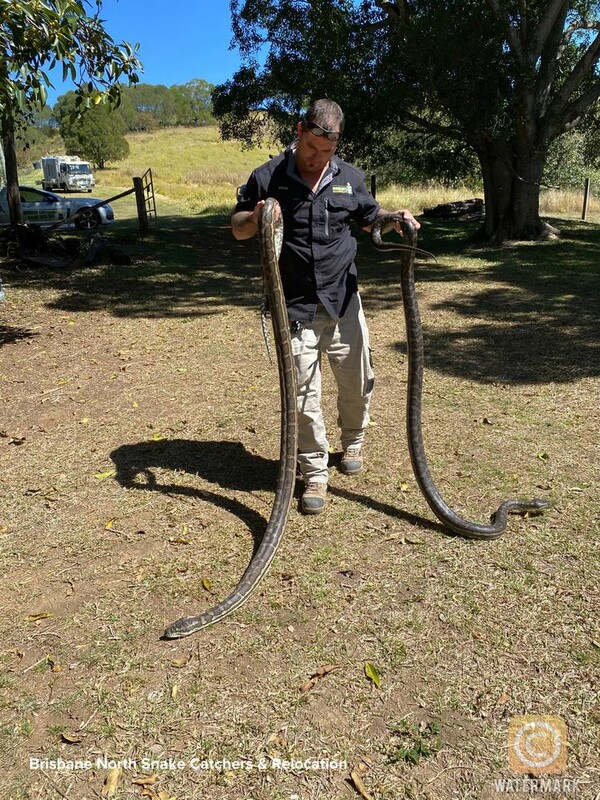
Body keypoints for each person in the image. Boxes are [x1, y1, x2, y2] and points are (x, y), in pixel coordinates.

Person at [231, 99, 420, 515]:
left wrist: (394, 218)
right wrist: (258, 216)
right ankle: (314, 471)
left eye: (326, 153)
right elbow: (238, 228)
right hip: (293, 306)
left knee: (357, 380)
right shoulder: (268, 177)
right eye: (312, 149)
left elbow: (370, 217)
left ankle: (353, 440)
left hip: (344, 301)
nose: (317, 159)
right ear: (299, 131)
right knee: (302, 395)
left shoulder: (349, 178)